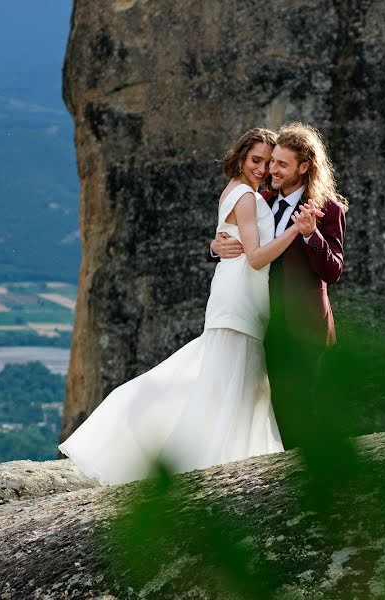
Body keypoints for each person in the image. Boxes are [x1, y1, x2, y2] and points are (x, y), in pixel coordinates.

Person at [59, 128, 321, 485]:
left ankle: (216, 458)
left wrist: (216, 248)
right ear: (242, 158)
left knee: (225, 379)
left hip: (239, 294)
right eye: (256, 160)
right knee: (233, 379)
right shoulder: (248, 197)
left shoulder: (239, 191)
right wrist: (294, 230)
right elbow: (257, 257)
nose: (262, 169)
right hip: (241, 297)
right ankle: (212, 462)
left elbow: (234, 243)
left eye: (268, 162)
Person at [208, 122, 347, 449]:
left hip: (303, 326)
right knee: (265, 409)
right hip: (260, 320)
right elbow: (240, 239)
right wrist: (214, 247)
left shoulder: (329, 210)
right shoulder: (261, 198)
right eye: (271, 162)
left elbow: (334, 271)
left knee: (301, 407)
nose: (272, 169)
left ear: (304, 166)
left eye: (281, 164)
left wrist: (312, 234)